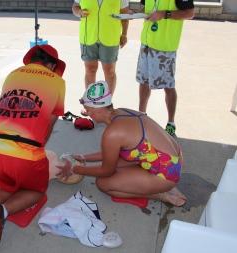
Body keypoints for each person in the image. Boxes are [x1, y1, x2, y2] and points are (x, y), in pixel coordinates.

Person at [0, 44, 66, 251]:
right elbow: (52, 120)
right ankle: (1, 211)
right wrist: (40, 148)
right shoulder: (57, 81)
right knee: (36, 190)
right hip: (25, 151)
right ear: (51, 65)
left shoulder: (12, 74)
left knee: (6, 184)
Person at [57, 80, 186, 207]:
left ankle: (161, 194)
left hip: (166, 173)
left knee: (103, 183)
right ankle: (157, 185)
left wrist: (74, 169)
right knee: (115, 162)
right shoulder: (122, 112)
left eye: (89, 110)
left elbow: (106, 171)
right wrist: (84, 157)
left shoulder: (112, 133)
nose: (88, 115)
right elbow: (111, 152)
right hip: (174, 159)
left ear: (99, 108)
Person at [134, 0, 195, 136]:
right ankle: (141, 117)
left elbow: (190, 13)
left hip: (165, 46)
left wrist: (165, 14)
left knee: (168, 86)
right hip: (147, 42)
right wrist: (136, 14)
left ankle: (170, 123)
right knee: (143, 82)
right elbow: (147, 8)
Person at [72, 0, 130, 116]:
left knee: (109, 72)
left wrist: (124, 34)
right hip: (88, 36)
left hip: (110, 38)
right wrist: (79, 13)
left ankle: (106, 105)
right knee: (90, 70)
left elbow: (125, 15)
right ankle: (90, 103)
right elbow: (75, 6)